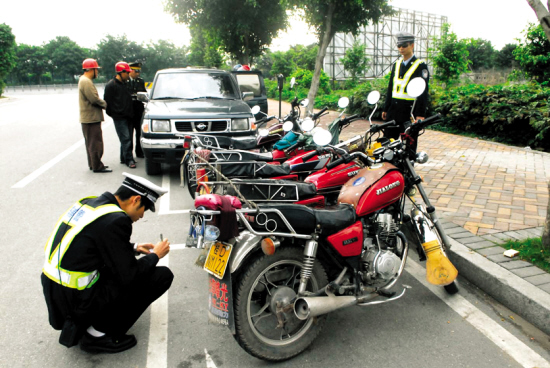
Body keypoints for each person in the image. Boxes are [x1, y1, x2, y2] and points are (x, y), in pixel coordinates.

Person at [41, 172, 173, 354]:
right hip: (76, 300)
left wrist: (133, 248)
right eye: (144, 209)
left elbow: (90, 243)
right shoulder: (118, 220)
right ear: (135, 200)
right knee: (161, 276)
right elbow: (129, 275)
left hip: (58, 292)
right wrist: (155, 256)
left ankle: (92, 324)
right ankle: (98, 335)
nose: (142, 216)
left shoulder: (89, 203)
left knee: (122, 271)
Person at [381, 32, 430, 151]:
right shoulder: (396, 64)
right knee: (388, 142)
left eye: (404, 45)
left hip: (409, 111)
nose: (401, 49)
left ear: (412, 46)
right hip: (394, 109)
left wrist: (420, 114)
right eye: (399, 46)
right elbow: (391, 88)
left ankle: (408, 168)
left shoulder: (420, 66)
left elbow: (423, 92)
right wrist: (386, 108)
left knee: (409, 143)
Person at [79, 58, 110, 173]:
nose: (97, 72)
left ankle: (93, 164)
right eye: (96, 70)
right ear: (92, 70)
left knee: (91, 143)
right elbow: (94, 99)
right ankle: (97, 166)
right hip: (91, 118)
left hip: (88, 118)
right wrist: (106, 104)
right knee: (95, 143)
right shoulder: (86, 81)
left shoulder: (83, 80)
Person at [104, 61, 136, 169]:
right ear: (121, 72)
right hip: (119, 117)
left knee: (128, 138)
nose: (128, 75)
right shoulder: (111, 85)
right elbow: (107, 103)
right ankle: (129, 160)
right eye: (127, 73)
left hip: (129, 116)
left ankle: (124, 157)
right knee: (126, 138)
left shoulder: (126, 84)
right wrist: (115, 114)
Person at [127, 61, 147, 159]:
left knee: (139, 133)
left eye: (139, 71)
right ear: (130, 71)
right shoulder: (125, 81)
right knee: (128, 134)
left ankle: (139, 152)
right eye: (136, 71)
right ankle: (128, 154)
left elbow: (143, 93)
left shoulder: (140, 81)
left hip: (138, 110)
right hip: (129, 110)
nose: (138, 74)